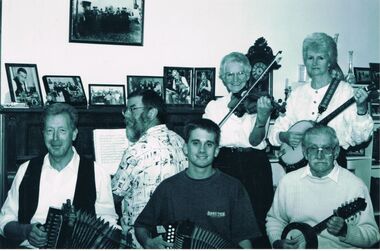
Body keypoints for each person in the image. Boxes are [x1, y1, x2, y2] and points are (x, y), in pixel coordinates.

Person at [0, 103, 118, 248]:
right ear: (43, 134)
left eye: (62, 131)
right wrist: (26, 231)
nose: (55, 139)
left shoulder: (98, 173)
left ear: (74, 134)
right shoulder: (25, 170)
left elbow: (109, 225)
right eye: (50, 131)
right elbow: (4, 220)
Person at [134, 118, 261, 249]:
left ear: (216, 151)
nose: (202, 150)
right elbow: (141, 225)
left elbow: (244, 239)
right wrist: (148, 242)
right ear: (185, 148)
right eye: (196, 143)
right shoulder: (168, 187)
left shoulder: (233, 188)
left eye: (209, 144)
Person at [268, 32, 374, 169]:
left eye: (321, 58)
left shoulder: (345, 91)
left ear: (330, 61)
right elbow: (276, 131)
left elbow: (362, 137)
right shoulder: (297, 93)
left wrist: (361, 109)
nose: (315, 63)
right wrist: (285, 136)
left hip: (333, 163)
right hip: (301, 166)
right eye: (310, 58)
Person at [266, 124, 380, 248]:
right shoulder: (288, 182)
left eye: (326, 149)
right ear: (304, 152)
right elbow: (275, 220)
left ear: (336, 152)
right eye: (313, 148)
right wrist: (277, 242)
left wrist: (346, 231)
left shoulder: (355, 185)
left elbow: (373, 235)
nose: (319, 156)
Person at [203, 52, 274, 247]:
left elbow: (254, 141)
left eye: (240, 74)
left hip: (254, 164)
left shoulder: (259, 102)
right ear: (222, 78)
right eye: (229, 75)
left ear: (249, 74)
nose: (235, 79)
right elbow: (209, 139)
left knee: (256, 218)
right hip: (224, 163)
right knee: (222, 217)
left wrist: (261, 117)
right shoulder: (215, 107)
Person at [111, 90, 188, 248]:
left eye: (132, 109)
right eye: (126, 110)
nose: (126, 115)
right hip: (175, 234)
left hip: (140, 238)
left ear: (152, 113)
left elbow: (114, 196)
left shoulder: (136, 150)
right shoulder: (180, 140)